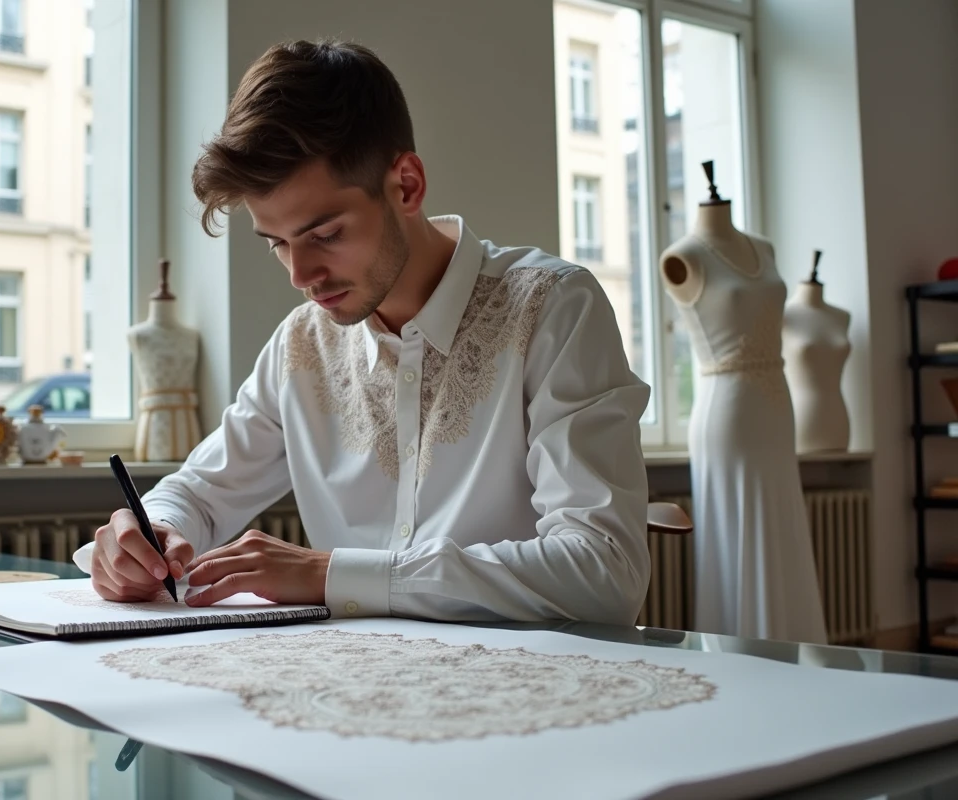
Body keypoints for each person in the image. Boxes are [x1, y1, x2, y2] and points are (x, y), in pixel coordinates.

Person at [72, 39, 652, 625]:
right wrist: (153, 532)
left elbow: (605, 571)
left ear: (406, 185)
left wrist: (332, 575)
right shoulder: (302, 345)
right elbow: (198, 490)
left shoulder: (554, 308)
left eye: (324, 235)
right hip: (351, 696)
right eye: (277, 243)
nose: (300, 275)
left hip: (537, 696)